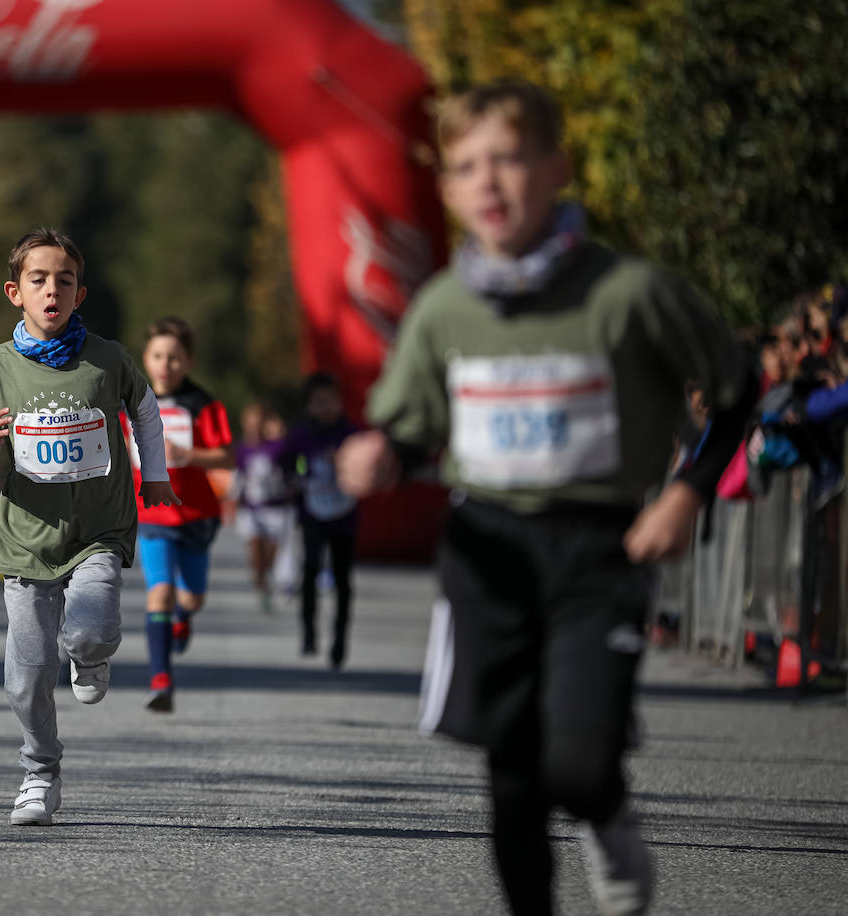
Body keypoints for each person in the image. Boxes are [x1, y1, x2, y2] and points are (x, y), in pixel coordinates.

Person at [336, 80, 757, 915]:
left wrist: (686, 494)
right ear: (449, 192)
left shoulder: (627, 293)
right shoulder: (445, 308)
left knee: (579, 764)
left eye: (510, 159)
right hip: (488, 550)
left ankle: (608, 813)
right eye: (466, 167)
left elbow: (737, 390)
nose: (489, 182)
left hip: (600, 549)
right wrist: (381, 454)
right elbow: (415, 427)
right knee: (515, 777)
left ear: (558, 166)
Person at [0, 228, 177, 826]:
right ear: (15, 292)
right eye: (38, 279)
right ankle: (40, 772)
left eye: (65, 280)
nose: (51, 289)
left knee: (89, 629)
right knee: (25, 676)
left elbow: (147, 412)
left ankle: (91, 655)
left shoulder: (106, 358)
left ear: (79, 294)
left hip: (99, 530)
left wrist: (153, 475)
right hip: (26, 540)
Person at [128, 316, 234, 713]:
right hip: (153, 515)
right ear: (146, 358)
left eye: (174, 358)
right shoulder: (132, 403)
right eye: (158, 356)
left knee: (192, 597)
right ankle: (161, 680)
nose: (165, 365)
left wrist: (187, 455)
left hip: (197, 516)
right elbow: (122, 451)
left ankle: (184, 618)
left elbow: (227, 456)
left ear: (188, 362)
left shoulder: (203, 406)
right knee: (161, 591)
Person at [283, 373, 360, 668]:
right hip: (312, 513)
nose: (326, 407)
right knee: (311, 569)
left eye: (331, 401)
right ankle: (309, 632)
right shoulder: (301, 436)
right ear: (309, 406)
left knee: (342, 578)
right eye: (319, 402)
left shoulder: (352, 434)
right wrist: (300, 472)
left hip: (344, 514)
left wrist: (343, 461)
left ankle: (340, 638)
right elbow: (289, 463)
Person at [229, 402, 294, 613]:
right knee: (255, 550)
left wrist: (297, 480)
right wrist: (232, 500)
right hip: (251, 509)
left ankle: (268, 577)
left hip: (276, 508)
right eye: (251, 422)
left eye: (259, 421)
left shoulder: (279, 447)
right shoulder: (242, 449)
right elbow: (237, 476)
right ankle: (262, 588)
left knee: (270, 556)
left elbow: (298, 463)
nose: (254, 426)